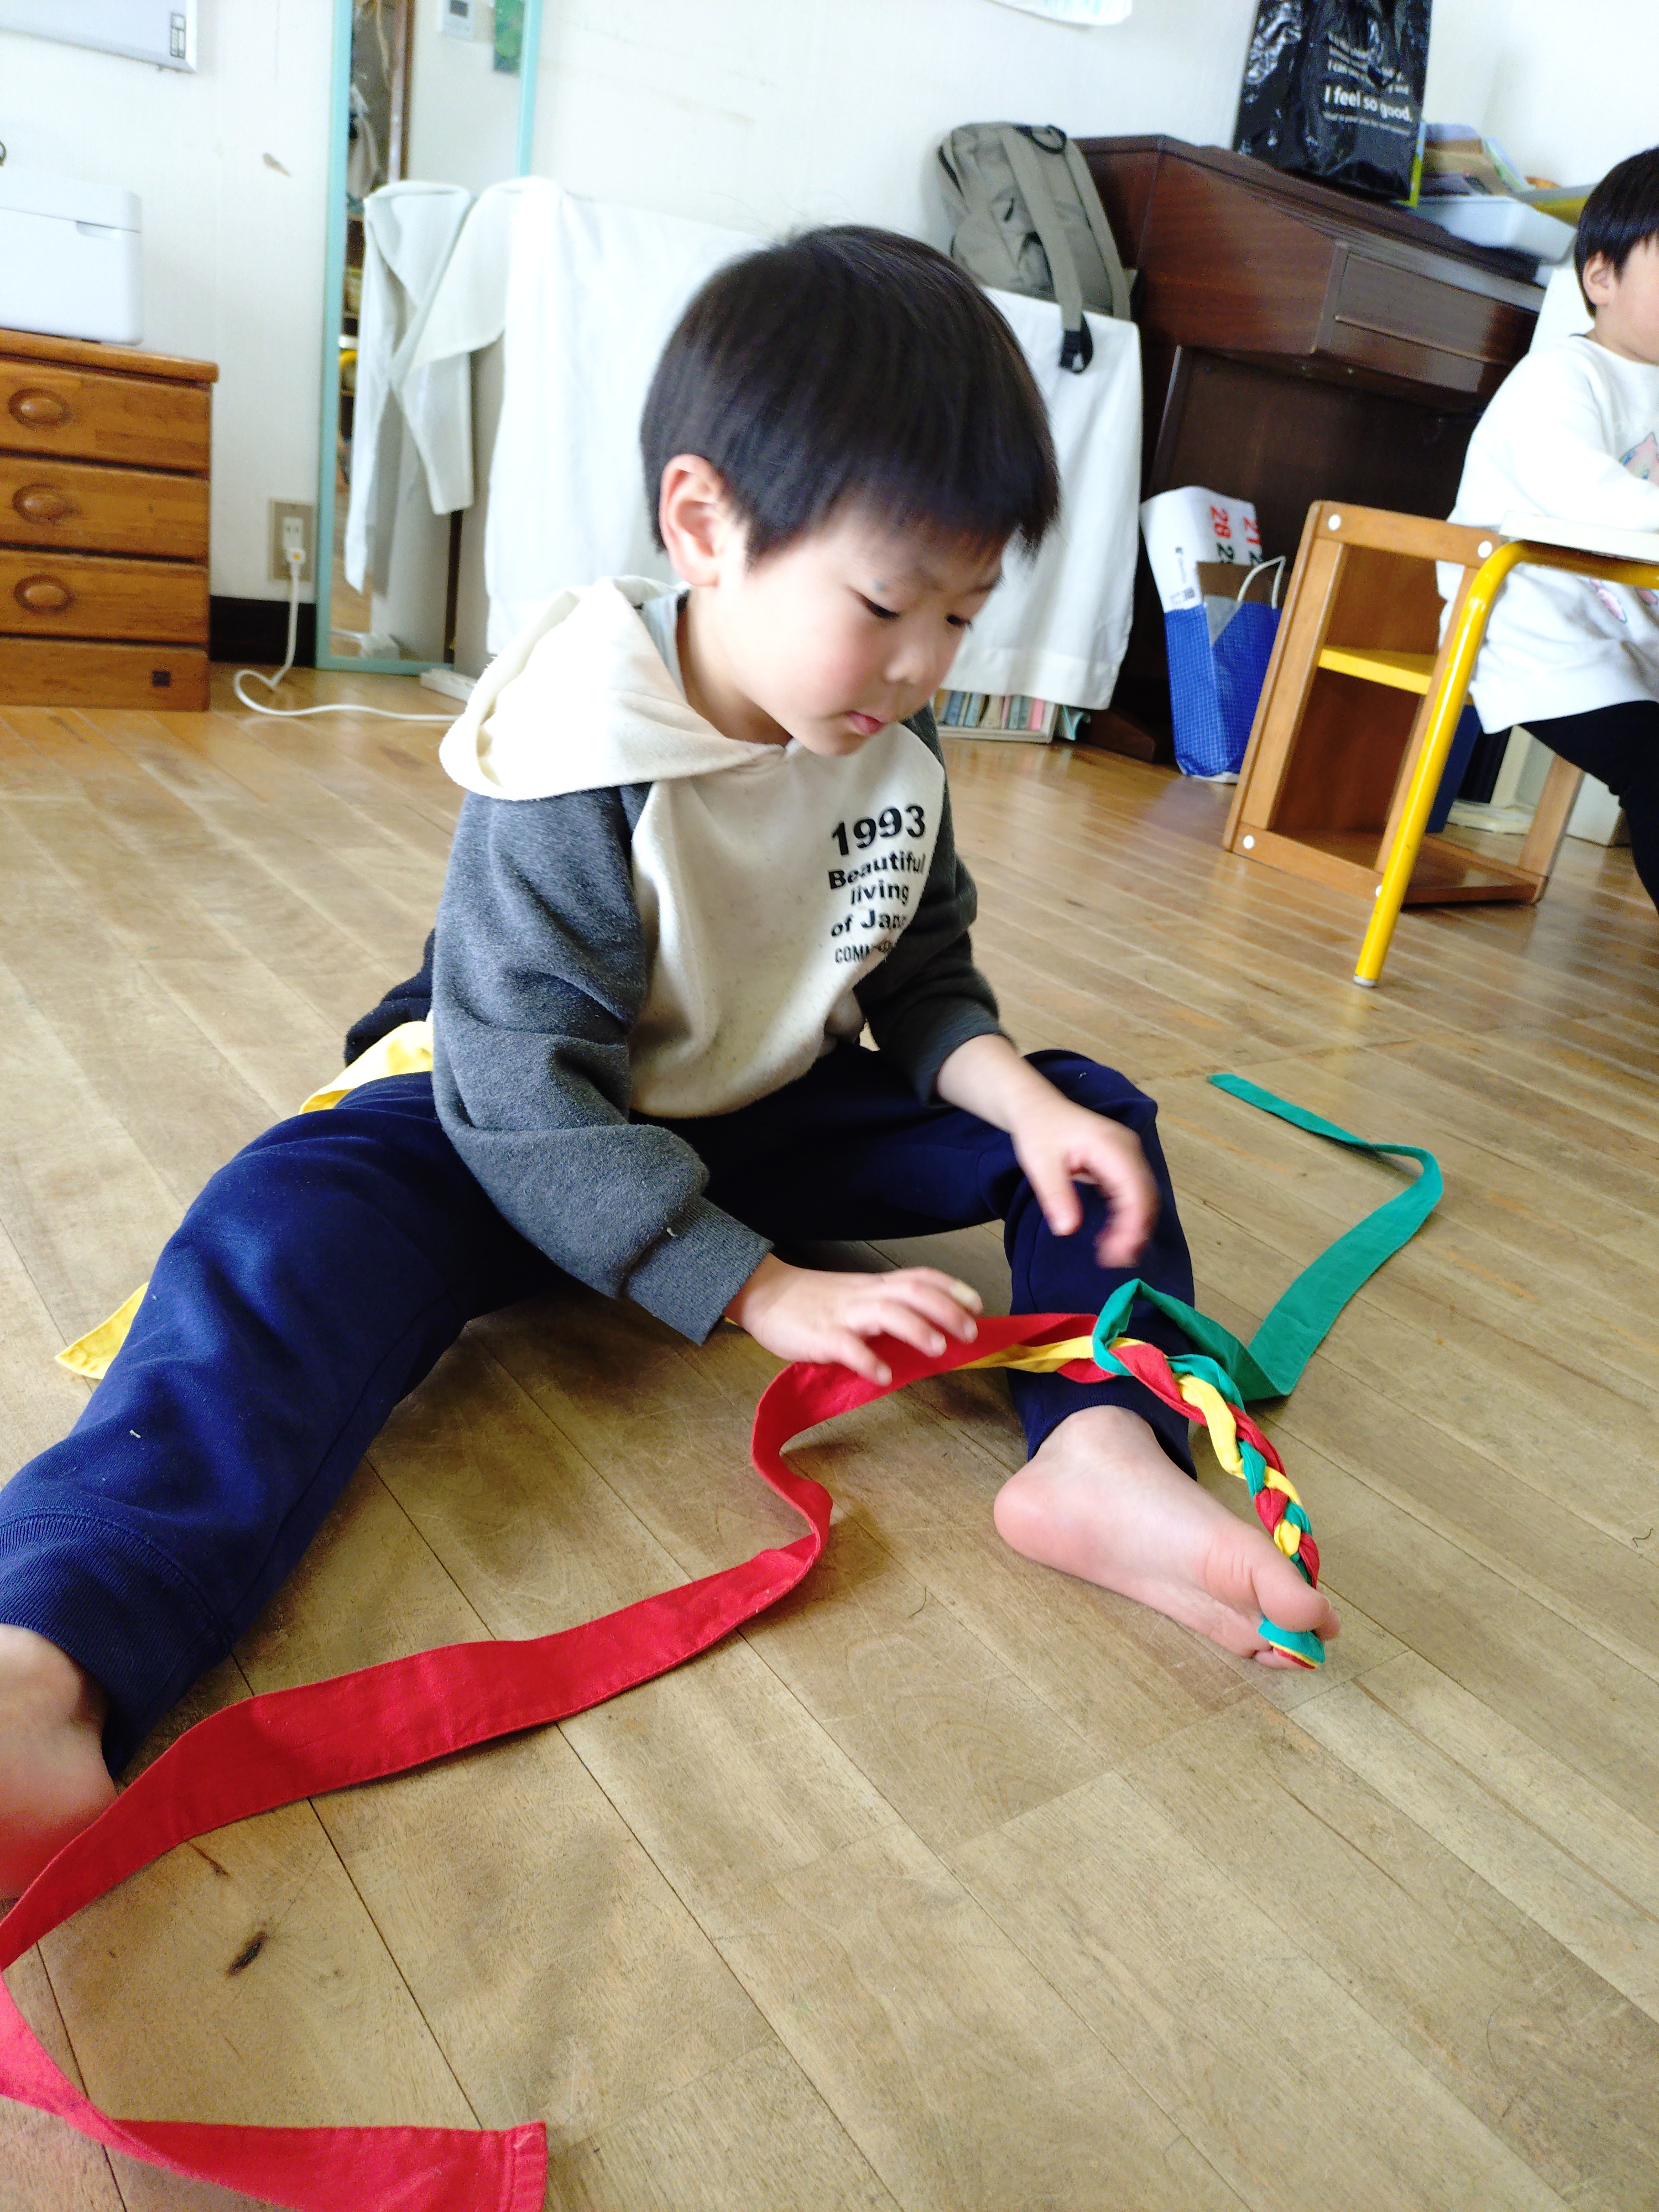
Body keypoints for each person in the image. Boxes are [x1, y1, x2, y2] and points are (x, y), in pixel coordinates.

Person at [0, 228, 1336, 1894]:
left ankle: (1098, 1452)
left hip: (751, 1104)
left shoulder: (887, 730)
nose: (928, 661)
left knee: (1089, 1120)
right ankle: (50, 1654)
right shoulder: (580, 746)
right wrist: (761, 1289)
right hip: (511, 1123)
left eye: (964, 612)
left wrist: (1016, 1094)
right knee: (279, 1235)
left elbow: (922, 978)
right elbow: (517, 1090)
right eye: (886, 605)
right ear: (704, 527)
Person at [1443, 144, 1659, 910]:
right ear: (1601, 277)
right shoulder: (1559, 378)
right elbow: (1586, 496)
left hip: (1628, 638)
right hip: (1538, 637)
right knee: (1654, 767)